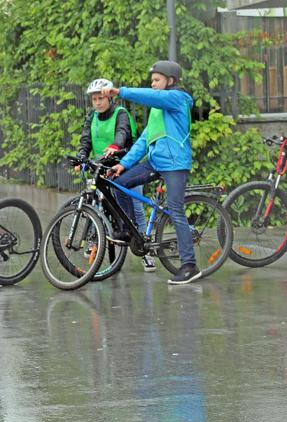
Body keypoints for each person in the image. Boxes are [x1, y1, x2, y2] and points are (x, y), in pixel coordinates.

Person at [104, 60, 200, 285]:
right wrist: (124, 164)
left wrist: (120, 91)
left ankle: (189, 265)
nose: (153, 84)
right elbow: (144, 140)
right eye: (152, 81)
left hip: (175, 163)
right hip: (156, 161)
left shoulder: (177, 98)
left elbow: (153, 97)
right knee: (119, 182)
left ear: (171, 81)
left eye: (157, 80)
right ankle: (129, 231)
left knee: (175, 210)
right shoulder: (158, 110)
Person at [77, 78, 156, 273]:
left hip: (125, 164)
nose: (97, 102)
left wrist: (115, 146)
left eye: (101, 98)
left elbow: (122, 132)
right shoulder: (91, 117)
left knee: (135, 208)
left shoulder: (120, 113)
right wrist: (81, 157)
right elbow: (86, 139)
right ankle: (95, 240)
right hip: (102, 166)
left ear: (109, 98)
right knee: (98, 203)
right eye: (94, 99)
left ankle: (145, 251)